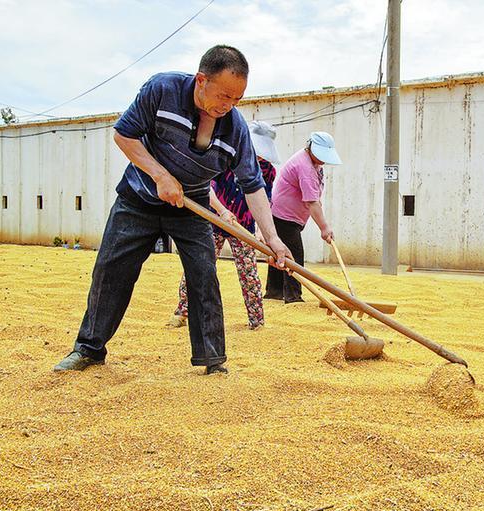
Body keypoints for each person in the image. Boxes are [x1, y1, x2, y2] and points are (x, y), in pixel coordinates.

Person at [53, 45, 290, 375]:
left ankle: (213, 359)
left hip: (191, 208)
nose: (229, 106)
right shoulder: (162, 90)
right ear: (201, 80)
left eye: (237, 99)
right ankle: (88, 349)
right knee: (111, 270)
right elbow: (124, 134)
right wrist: (160, 175)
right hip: (137, 198)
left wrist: (273, 238)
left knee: (204, 277)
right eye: (223, 96)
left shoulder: (235, 128)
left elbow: (253, 186)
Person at [169, 120, 280, 330]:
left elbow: (265, 199)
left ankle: (257, 321)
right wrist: (222, 210)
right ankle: (182, 312)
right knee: (199, 266)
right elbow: (207, 188)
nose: (258, 156)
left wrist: (261, 231)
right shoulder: (225, 158)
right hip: (214, 220)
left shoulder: (267, 171)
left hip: (243, 226)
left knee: (249, 272)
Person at [264, 132, 341, 303]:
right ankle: (293, 296)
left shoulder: (314, 164)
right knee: (294, 255)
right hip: (284, 216)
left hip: (289, 216)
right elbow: (312, 202)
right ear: (311, 148)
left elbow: (314, 198)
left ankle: (274, 292)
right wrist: (324, 228)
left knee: (280, 252)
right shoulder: (304, 166)